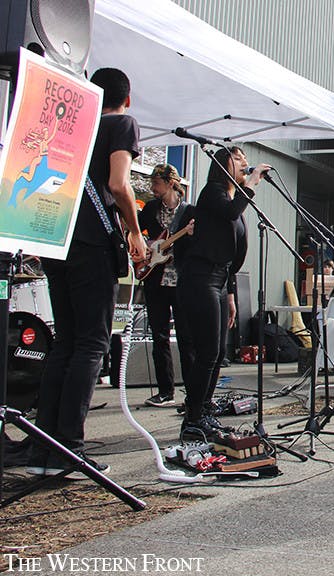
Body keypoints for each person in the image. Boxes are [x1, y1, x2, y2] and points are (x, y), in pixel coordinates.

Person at [27, 68, 147, 478]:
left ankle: (43, 447)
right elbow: (118, 183)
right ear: (127, 99)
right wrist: (134, 231)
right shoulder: (123, 124)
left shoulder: (75, 126)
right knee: (92, 343)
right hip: (93, 242)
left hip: (57, 235)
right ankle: (69, 451)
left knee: (66, 342)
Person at [177, 146, 270, 438]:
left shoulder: (232, 199)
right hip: (200, 278)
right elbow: (230, 212)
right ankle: (192, 418)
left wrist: (230, 295)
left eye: (245, 158)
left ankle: (203, 410)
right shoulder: (212, 193)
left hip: (219, 280)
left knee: (217, 353)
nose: (244, 162)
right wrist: (252, 182)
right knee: (206, 351)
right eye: (238, 158)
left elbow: (231, 253)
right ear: (223, 163)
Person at [137, 164, 195, 408]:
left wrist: (186, 240)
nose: (152, 188)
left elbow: (197, 246)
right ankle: (164, 390)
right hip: (155, 278)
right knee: (158, 335)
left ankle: (193, 393)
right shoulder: (150, 209)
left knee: (186, 337)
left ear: (171, 183)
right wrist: (146, 246)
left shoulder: (189, 212)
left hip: (180, 280)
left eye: (156, 183)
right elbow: (134, 231)